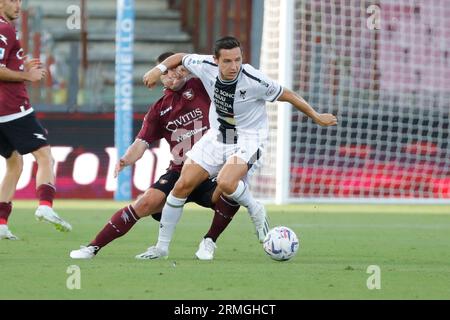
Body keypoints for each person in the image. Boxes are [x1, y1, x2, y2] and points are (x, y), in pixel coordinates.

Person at [141, 36, 338, 259]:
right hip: (218, 137)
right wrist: (158, 70)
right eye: (227, 61)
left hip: (249, 138)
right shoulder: (204, 66)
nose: (234, 66)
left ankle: (255, 208)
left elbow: (288, 94)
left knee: (226, 182)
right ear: (215, 60)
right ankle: (161, 248)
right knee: (181, 186)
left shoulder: (253, 79)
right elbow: (179, 58)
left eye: (238, 59)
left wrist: (316, 116)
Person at [70, 52, 264, 261]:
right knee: (145, 203)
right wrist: (126, 159)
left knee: (230, 189)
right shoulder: (158, 110)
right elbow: (141, 143)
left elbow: (225, 77)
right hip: (181, 171)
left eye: (175, 69)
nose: (172, 75)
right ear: (160, 77)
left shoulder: (203, 87)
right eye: (166, 72)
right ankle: (92, 248)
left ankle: (209, 241)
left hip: (213, 167)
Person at [0, 0, 72, 240]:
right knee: (44, 155)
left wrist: (20, 64)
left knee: (14, 162)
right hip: (11, 107)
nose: (18, 5)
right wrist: (26, 75)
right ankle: (45, 206)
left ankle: (0, 223)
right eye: (13, 0)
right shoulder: (4, 28)